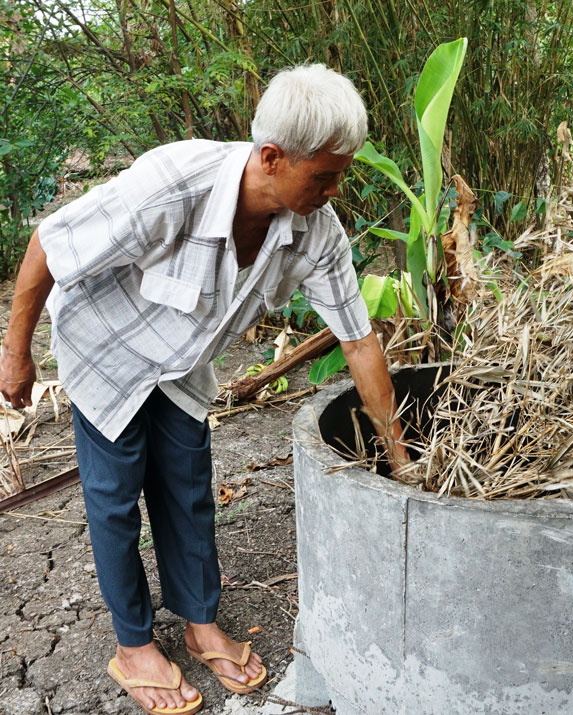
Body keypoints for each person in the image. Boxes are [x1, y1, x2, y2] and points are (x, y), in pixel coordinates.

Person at [0, 64, 408, 715]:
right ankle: (133, 645)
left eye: (342, 173)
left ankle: (198, 620)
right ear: (271, 156)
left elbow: (358, 339)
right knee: (114, 500)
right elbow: (50, 241)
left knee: (189, 489)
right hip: (107, 352)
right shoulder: (174, 184)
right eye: (325, 175)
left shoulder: (316, 232)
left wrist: (400, 454)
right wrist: (14, 354)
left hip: (182, 365)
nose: (336, 189)